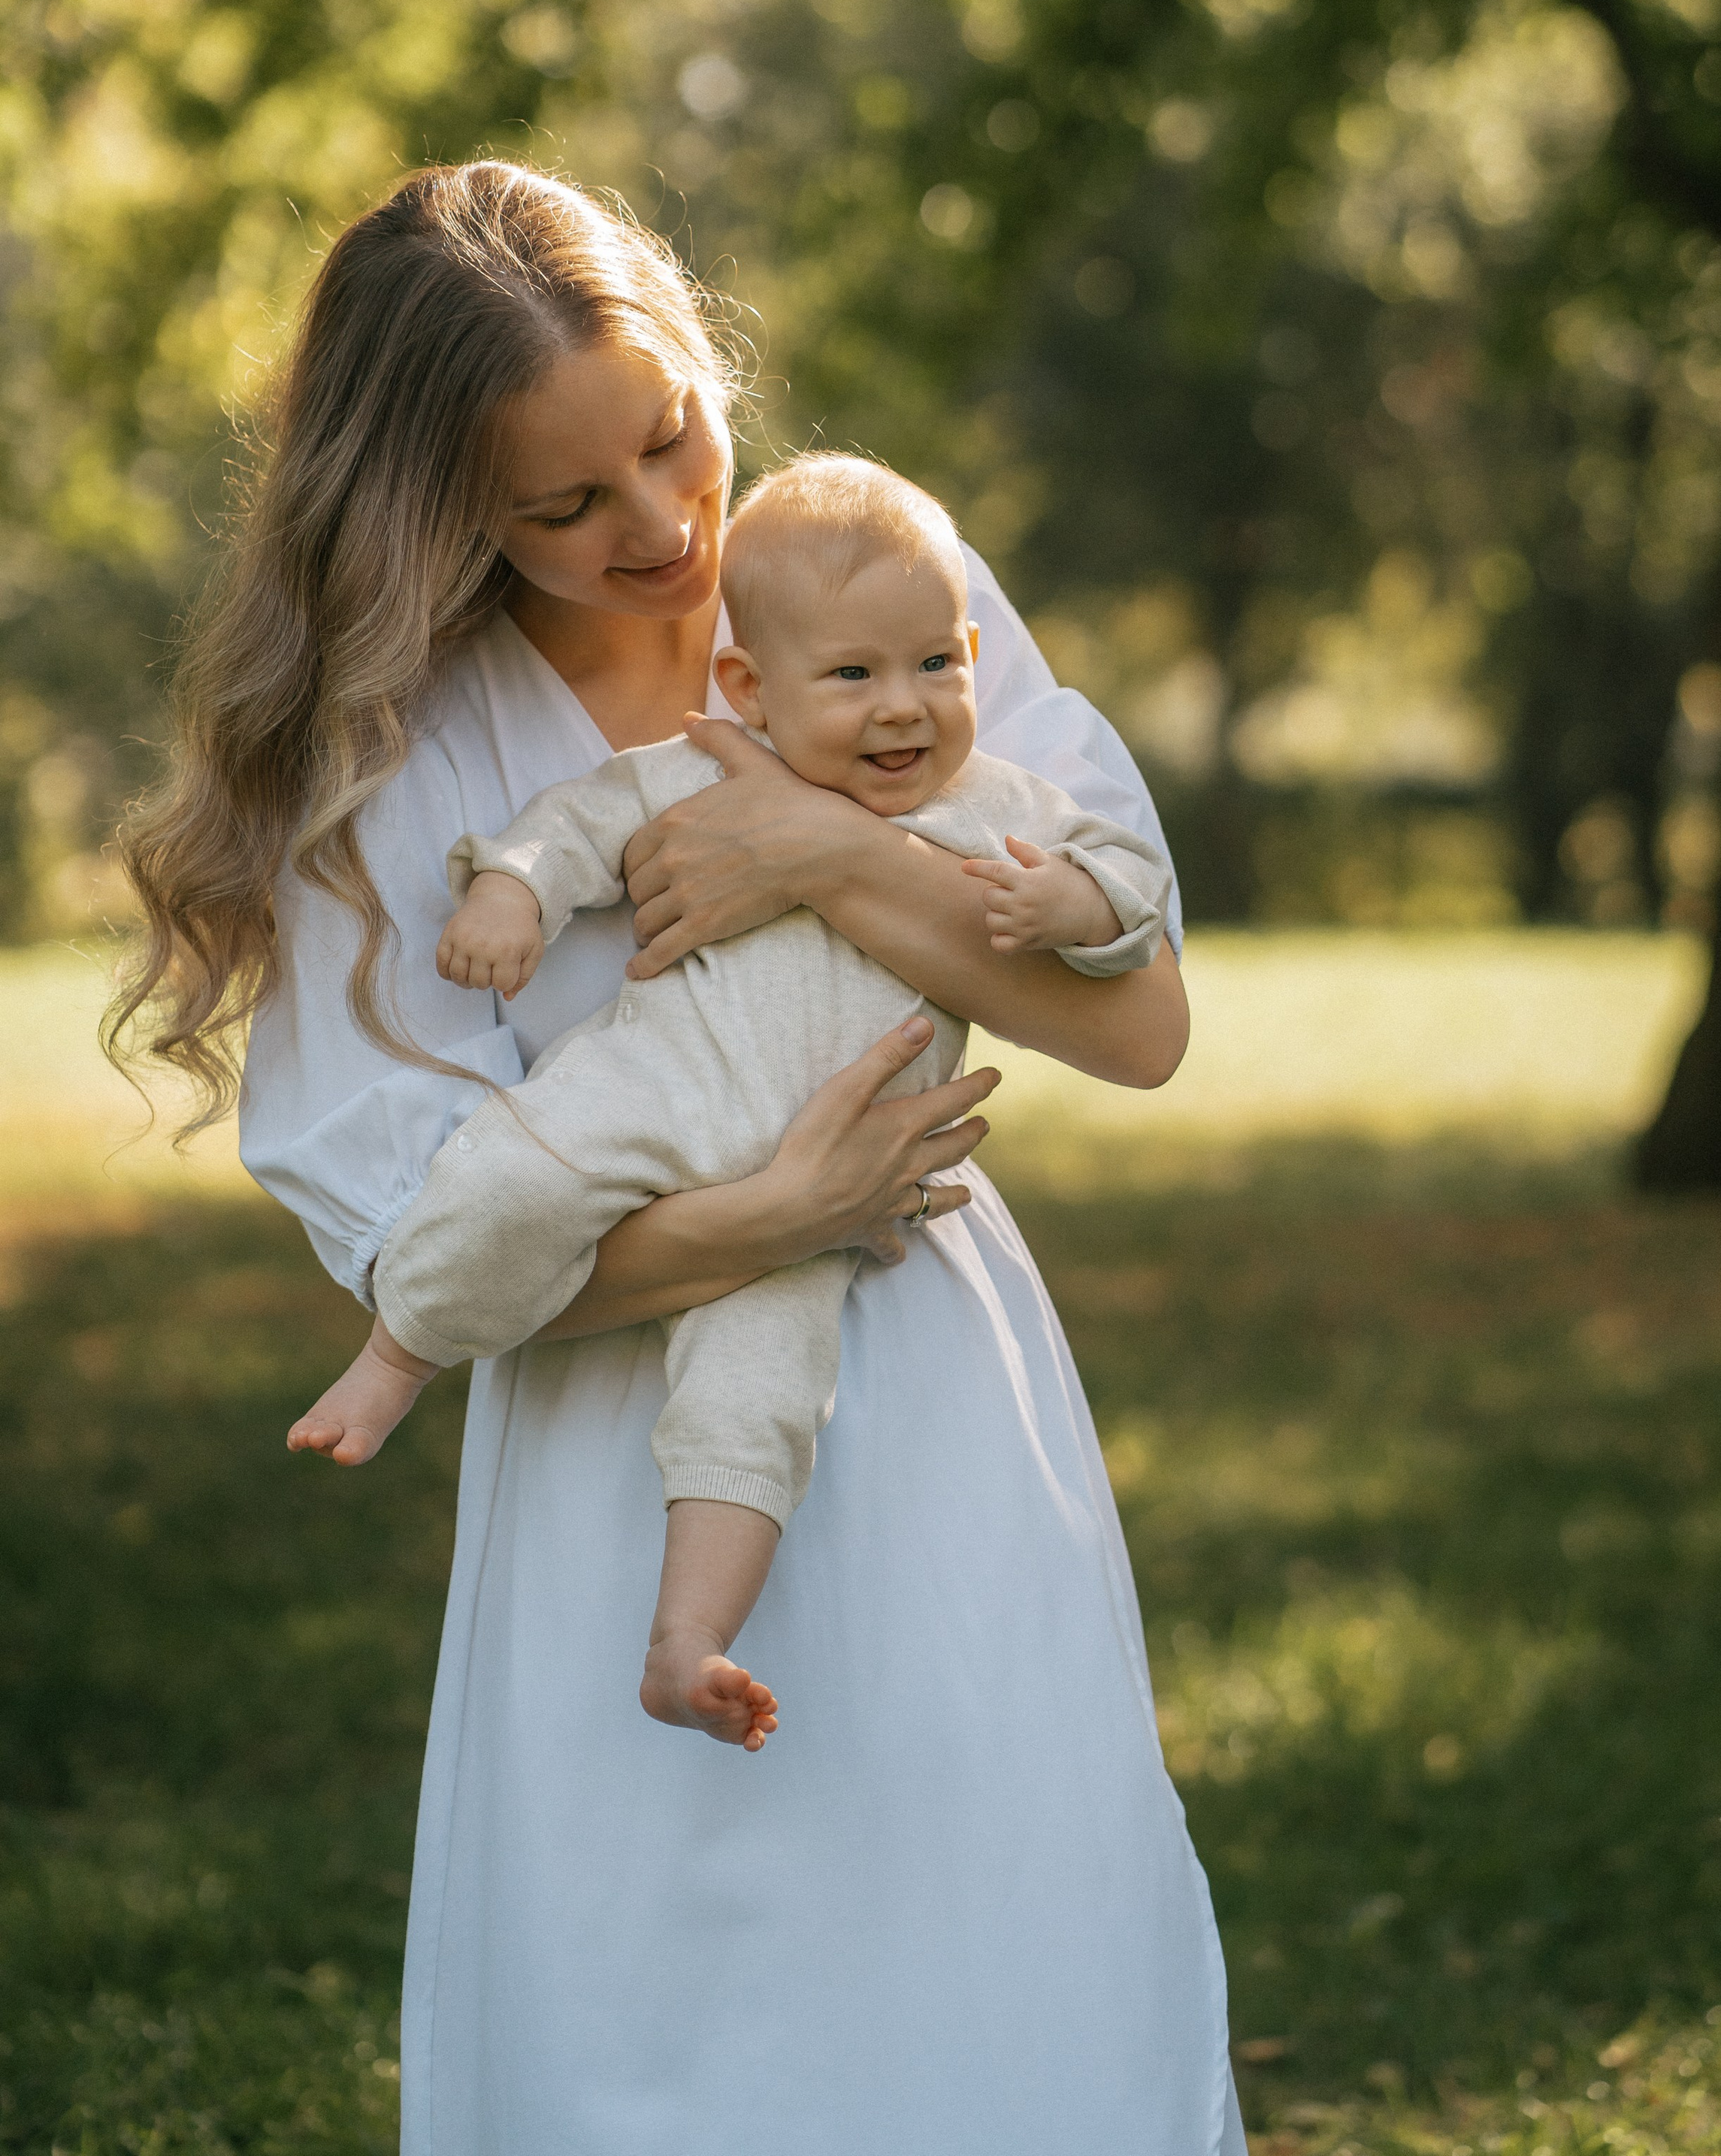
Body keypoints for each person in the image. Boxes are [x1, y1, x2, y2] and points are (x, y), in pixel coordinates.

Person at [113, 161, 1244, 2156]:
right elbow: (425, 1240)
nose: (663, 528)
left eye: (670, 437)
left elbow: (1138, 1025)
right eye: (566, 506)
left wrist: (826, 851)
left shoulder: (867, 575)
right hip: (618, 1445)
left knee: (1004, 1943)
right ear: (439, 509)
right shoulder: (412, 754)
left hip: (939, 1396)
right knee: (671, 2004)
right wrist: (770, 1220)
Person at [289, 451, 1171, 1762]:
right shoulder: (702, 763)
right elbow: (572, 826)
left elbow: (1126, 895)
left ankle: (687, 1637)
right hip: (655, 1101)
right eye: (856, 679)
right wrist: (510, 892)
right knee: (517, 1179)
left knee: (757, 1403)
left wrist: (1073, 908)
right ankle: (400, 1354)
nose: (905, 709)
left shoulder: (992, 806)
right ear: (752, 689)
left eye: (938, 668)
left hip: (847, 1199)